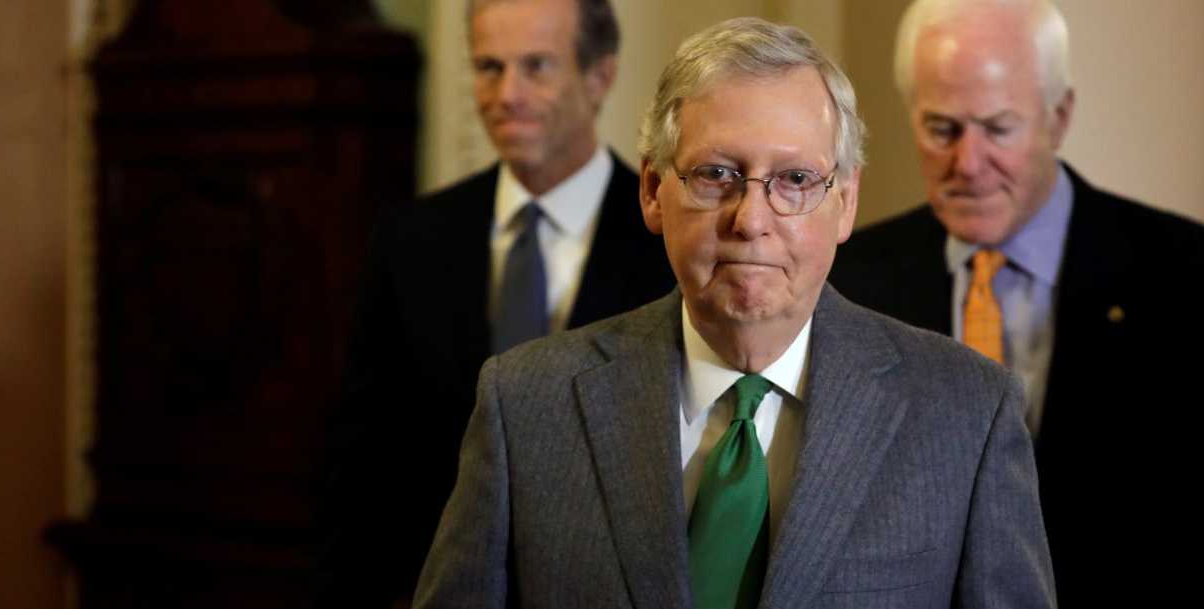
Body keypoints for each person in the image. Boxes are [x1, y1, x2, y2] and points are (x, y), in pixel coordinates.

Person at [412, 17, 1054, 609]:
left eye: (796, 181)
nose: (750, 220)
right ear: (652, 191)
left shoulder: (967, 413)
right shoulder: (526, 405)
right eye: (716, 174)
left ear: (847, 204)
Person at [828, 0, 1204, 605]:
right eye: (942, 129)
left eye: (998, 128)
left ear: (1058, 118)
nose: (968, 163)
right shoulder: (852, 275)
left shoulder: (1193, 277)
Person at [316, 0, 673, 606]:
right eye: (488, 67)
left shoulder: (662, 245)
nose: (506, 94)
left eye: (536, 66)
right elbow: (362, 461)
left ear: (600, 76)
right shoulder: (411, 238)